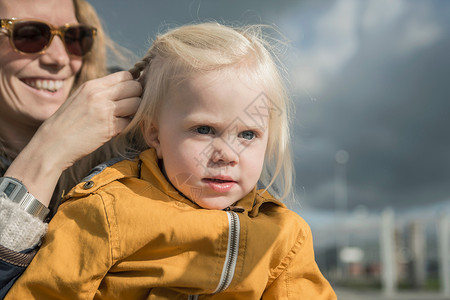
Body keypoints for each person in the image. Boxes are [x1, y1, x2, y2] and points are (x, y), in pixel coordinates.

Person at [6, 22, 337, 299]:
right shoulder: (105, 211)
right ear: (155, 134)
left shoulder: (285, 234)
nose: (227, 154)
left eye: (247, 134)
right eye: (204, 129)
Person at [0, 0, 142, 296]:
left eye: (73, 37)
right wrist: (48, 151)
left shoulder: (139, 133)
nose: (59, 58)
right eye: (28, 34)